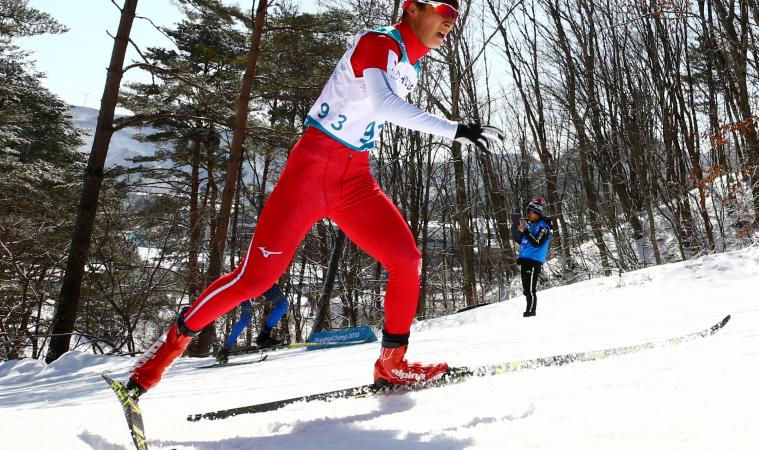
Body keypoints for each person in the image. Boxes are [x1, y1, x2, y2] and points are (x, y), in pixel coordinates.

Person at [124, 0, 504, 399]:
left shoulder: (411, 63)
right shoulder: (378, 43)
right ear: (412, 8)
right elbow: (383, 104)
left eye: (456, 14)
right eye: (444, 7)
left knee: (406, 260)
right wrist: (456, 129)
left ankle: (392, 366)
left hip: (354, 177)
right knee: (255, 279)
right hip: (311, 171)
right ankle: (154, 363)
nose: (450, 19)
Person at [215, 284, 290, 364]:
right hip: (245, 284)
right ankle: (225, 349)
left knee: (283, 304)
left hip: (264, 281)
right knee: (246, 317)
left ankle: (263, 337)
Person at [515, 197, 552, 317]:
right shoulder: (531, 226)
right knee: (526, 290)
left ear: (537, 212)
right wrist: (518, 231)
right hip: (525, 260)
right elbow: (523, 242)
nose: (528, 215)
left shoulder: (544, 227)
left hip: (534, 261)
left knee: (531, 289)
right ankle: (529, 311)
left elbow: (537, 242)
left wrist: (525, 231)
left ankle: (531, 312)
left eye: (530, 212)